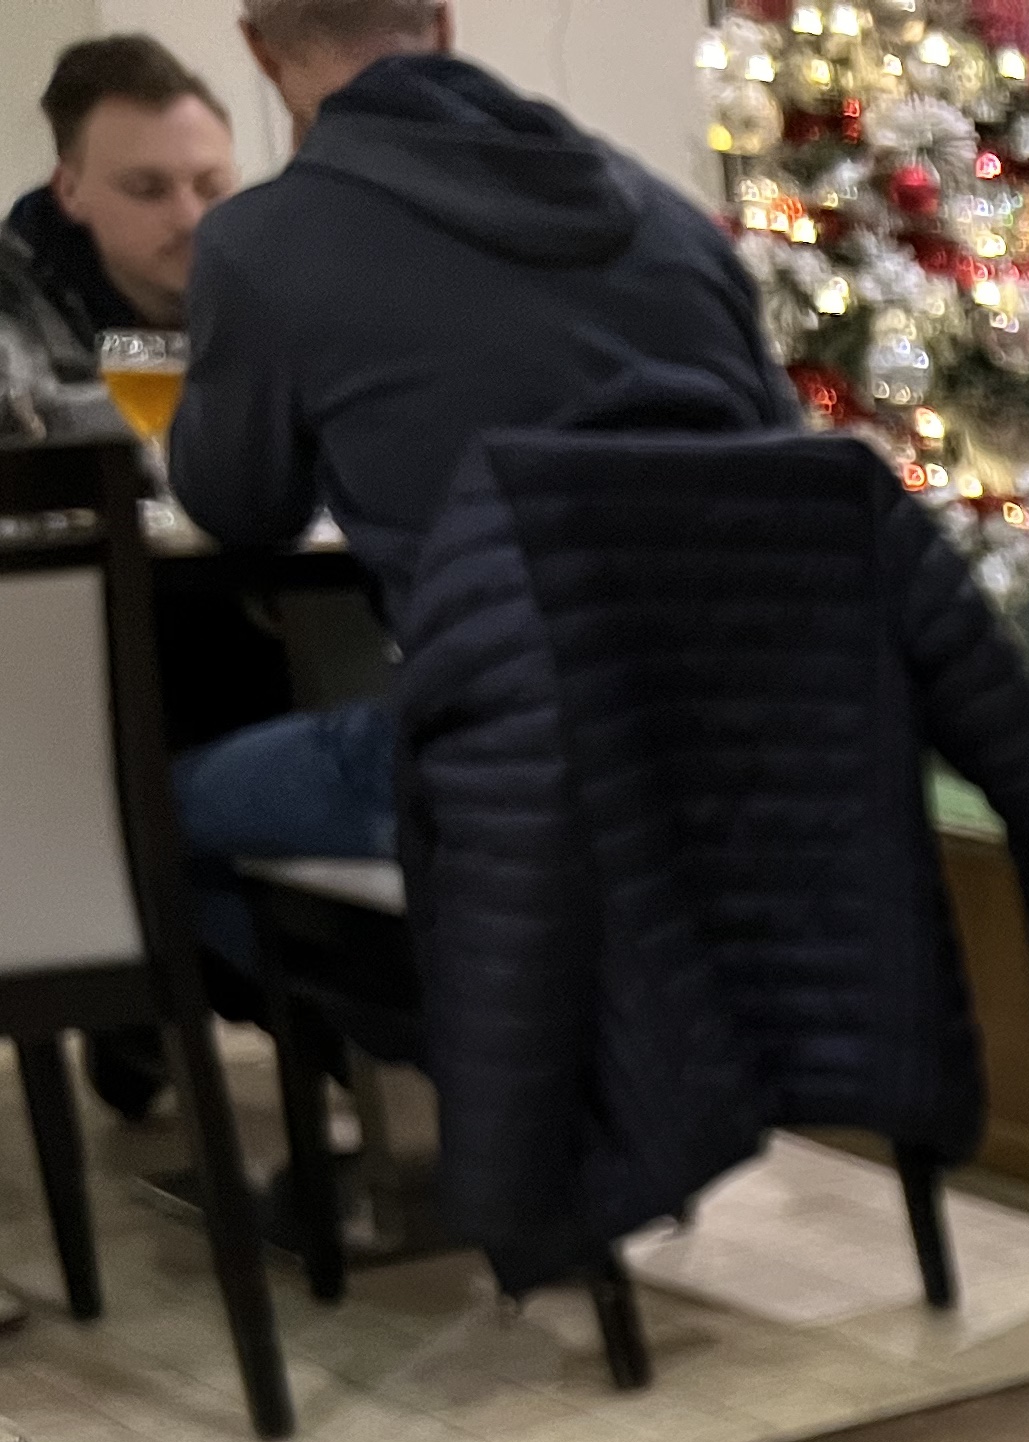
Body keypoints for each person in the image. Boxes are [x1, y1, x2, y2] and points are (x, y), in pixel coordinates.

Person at [162, 0, 791, 983]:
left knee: (152, 811)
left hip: (502, 766)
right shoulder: (672, 222)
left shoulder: (264, 243)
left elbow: (239, 506)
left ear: (260, 51)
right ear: (444, 24)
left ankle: (416, 1032)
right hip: (759, 756)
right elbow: (790, 477)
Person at [7, 33, 238, 353]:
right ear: (70, 191)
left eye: (212, 188)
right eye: (147, 190)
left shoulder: (281, 291)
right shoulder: (15, 335)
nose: (191, 218)